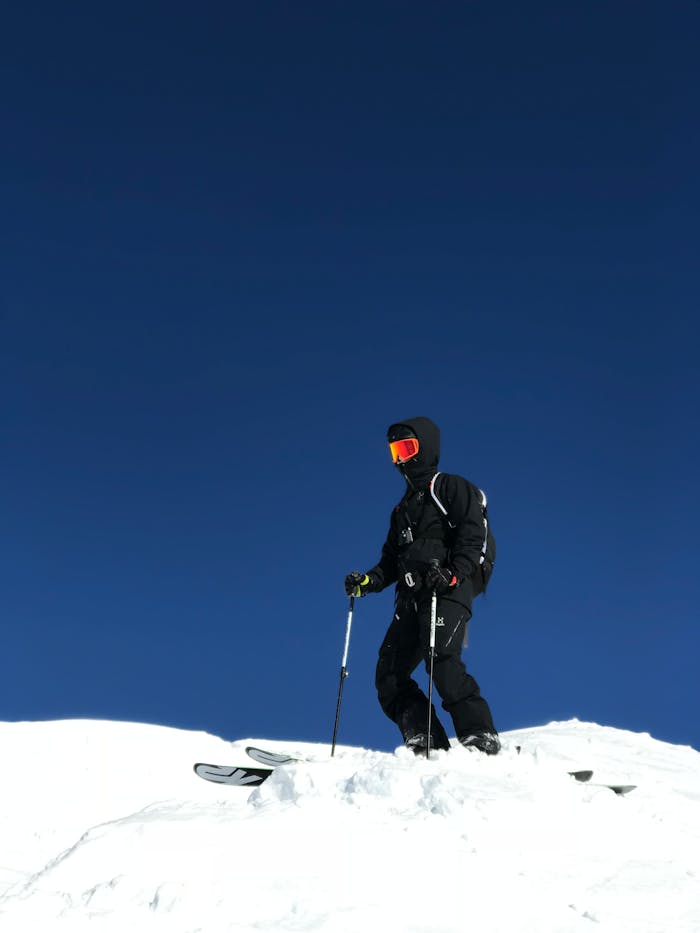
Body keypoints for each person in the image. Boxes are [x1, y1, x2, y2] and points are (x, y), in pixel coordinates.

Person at [344, 416, 500, 756]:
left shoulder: (450, 487)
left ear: (425, 448)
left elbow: (473, 536)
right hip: (411, 597)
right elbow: (390, 562)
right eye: (394, 450)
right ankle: (425, 739)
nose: (401, 458)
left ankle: (480, 736)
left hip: (446, 588)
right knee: (389, 674)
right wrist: (367, 582)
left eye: (407, 448)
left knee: (441, 659)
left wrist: (454, 572)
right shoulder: (401, 510)